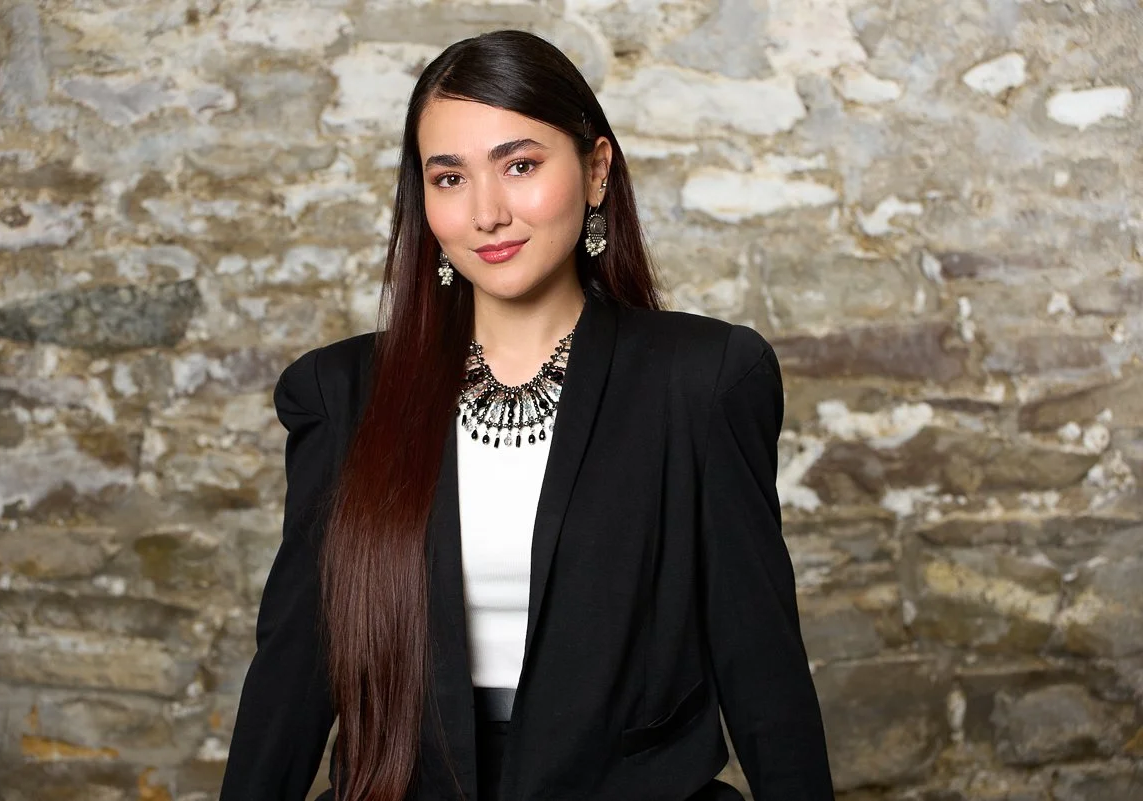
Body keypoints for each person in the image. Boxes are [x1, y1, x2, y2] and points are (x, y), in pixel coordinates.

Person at [219, 28, 834, 801]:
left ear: (596, 170)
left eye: (519, 166)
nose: (486, 212)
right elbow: (292, 672)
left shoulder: (702, 379)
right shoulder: (342, 392)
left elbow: (762, 662)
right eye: (450, 178)